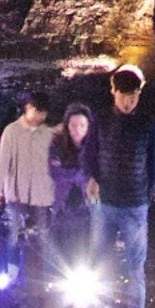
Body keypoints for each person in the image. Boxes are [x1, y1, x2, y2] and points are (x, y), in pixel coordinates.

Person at [86, 64, 155, 308]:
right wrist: (91, 178)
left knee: (135, 268)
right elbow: (90, 154)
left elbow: (153, 162)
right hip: (105, 204)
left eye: (133, 96)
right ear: (114, 91)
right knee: (97, 264)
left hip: (135, 205)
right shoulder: (100, 120)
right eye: (124, 96)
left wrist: (148, 196)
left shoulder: (147, 123)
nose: (128, 102)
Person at [0, 94, 59, 308]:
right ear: (29, 109)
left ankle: (45, 279)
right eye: (36, 113)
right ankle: (11, 275)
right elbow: (3, 162)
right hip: (16, 195)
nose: (39, 118)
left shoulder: (47, 133)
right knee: (12, 234)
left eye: (43, 115)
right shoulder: (11, 131)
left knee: (43, 236)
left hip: (40, 195)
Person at [53, 102, 98, 256]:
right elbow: (54, 174)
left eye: (82, 125)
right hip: (61, 210)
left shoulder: (96, 147)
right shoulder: (56, 146)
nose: (77, 130)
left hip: (88, 211)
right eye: (73, 125)